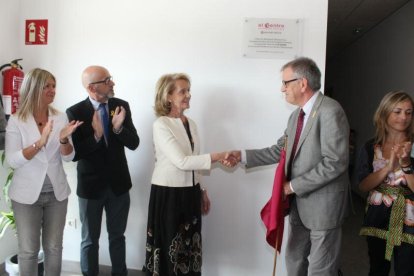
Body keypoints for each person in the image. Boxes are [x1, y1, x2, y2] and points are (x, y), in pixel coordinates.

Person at [225, 57, 350, 275]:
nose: (282, 88)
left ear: (302, 83)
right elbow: (279, 150)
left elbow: (335, 162)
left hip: (324, 208)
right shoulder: (295, 117)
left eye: (285, 82)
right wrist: (242, 155)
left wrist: (291, 186)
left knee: (321, 270)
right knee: (294, 263)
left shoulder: (331, 111)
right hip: (298, 207)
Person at [143, 73, 229, 276]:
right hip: (168, 194)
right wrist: (218, 156)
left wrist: (202, 190)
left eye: (189, 90)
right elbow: (182, 162)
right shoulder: (161, 125)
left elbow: (194, 160)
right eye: (183, 91)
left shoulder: (192, 124)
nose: (188, 95)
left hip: (191, 193)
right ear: (168, 96)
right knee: (169, 249)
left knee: (190, 248)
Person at [5, 68, 82, 275]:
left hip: (56, 194)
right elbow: (13, 160)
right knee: (28, 251)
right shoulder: (16, 120)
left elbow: (67, 156)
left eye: (53, 86)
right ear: (33, 87)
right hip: (25, 196)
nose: (52, 90)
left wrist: (64, 139)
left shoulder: (60, 117)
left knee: (54, 248)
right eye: (46, 86)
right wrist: (40, 143)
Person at [66, 65, 139, 276]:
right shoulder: (75, 112)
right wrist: (97, 135)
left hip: (119, 185)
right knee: (89, 240)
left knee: (117, 237)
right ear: (91, 87)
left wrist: (118, 128)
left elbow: (134, 143)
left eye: (111, 78)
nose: (112, 83)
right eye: (107, 80)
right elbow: (76, 154)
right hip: (90, 188)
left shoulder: (121, 106)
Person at [358, 91, 414, 276]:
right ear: (384, 113)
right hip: (377, 215)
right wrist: (387, 168)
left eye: (408, 112)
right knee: (377, 269)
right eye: (397, 111)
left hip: (409, 220)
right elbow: (363, 186)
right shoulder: (370, 146)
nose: (403, 117)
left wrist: (405, 164)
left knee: (406, 270)